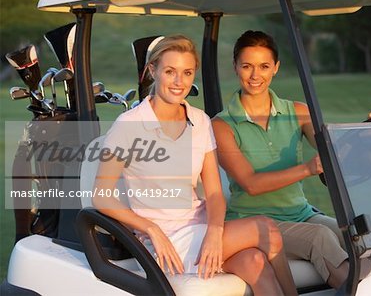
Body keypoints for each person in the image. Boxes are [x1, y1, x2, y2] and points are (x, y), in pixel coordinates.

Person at [92, 35, 297, 296]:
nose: (179, 82)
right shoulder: (128, 125)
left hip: (203, 231)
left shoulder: (199, 121)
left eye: (187, 73)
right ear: (152, 71)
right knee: (267, 229)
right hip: (166, 240)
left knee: (256, 263)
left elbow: (213, 192)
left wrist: (214, 231)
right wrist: (151, 229)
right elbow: (101, 196)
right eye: (170, 72)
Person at [212, 30, 371, 289]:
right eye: (247, 66)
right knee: (319, 237)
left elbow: (335, 149)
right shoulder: (222, 125)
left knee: (357, 233)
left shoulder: (297, 112)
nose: (255, 75)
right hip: (256, 222)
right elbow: (250, 183)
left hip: (301, 214)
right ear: (235, 67)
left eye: (264, 66)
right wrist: (307, 168)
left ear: (275, 67)